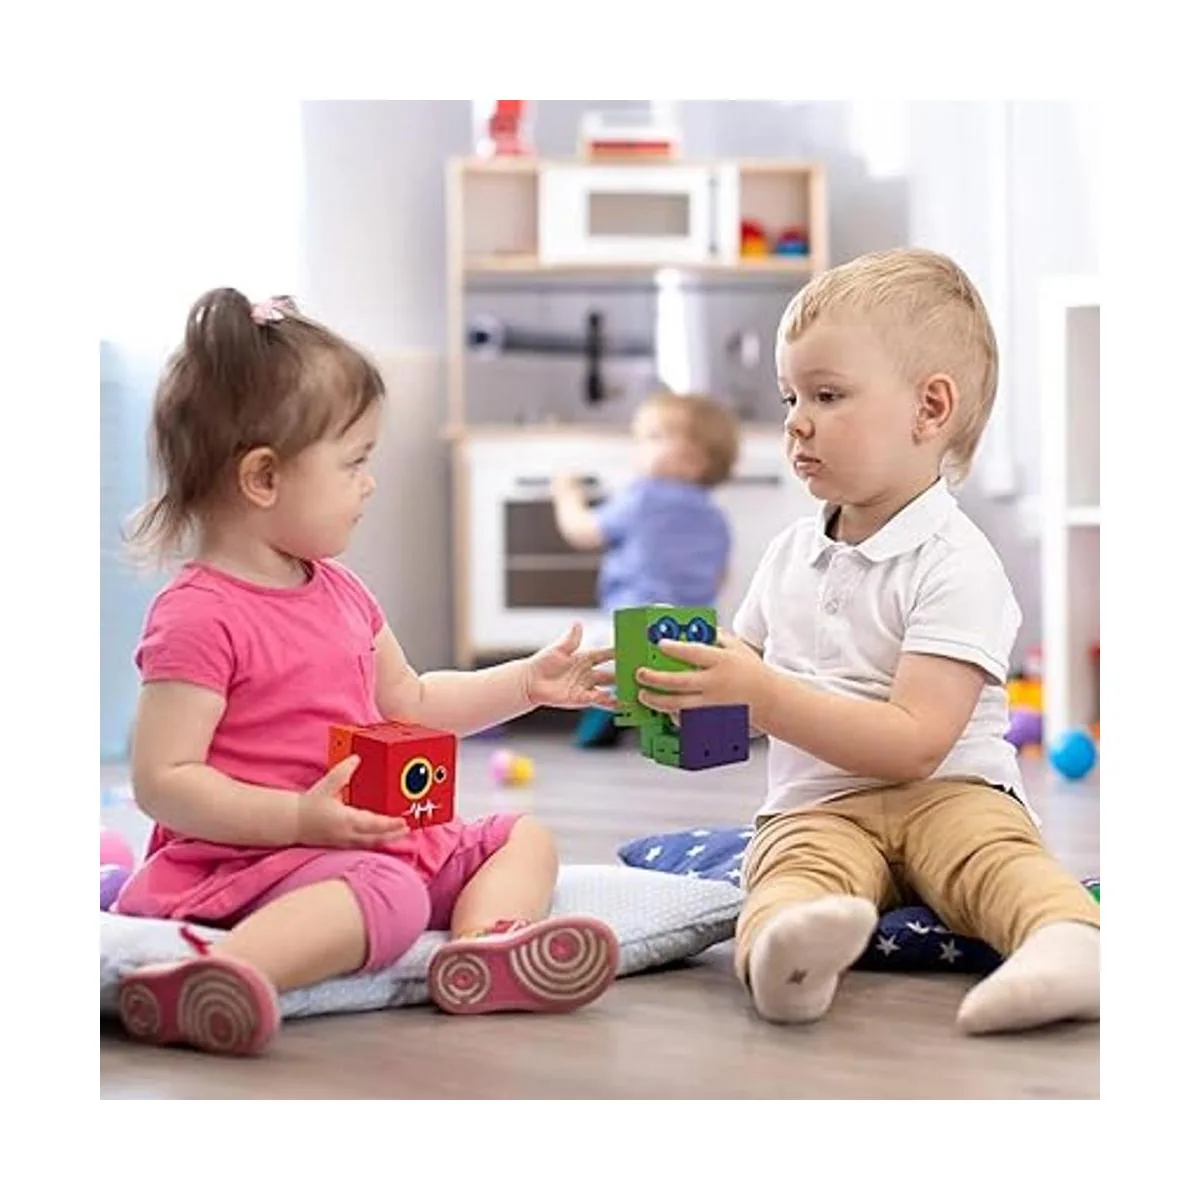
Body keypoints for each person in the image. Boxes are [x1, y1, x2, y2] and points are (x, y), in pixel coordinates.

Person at [111, 289, 622, 1056]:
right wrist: (297, 820)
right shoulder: (200, 615)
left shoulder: (341, 591)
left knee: (520, 836)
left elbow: (411, 699)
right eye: (354, 462)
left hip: (366, 837)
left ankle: (483, 950)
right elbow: (164, 780)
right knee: (389, 896)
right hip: (252, 858)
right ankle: (220, 974)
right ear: (263, 478)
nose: (370, 483)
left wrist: (524, 684)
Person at [632, 249, 1100, 1035]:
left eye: (827, 395)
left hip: (951, 792)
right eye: (790, 396)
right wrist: (685, 694)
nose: (796, 420)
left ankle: (1067, 945)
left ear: (930, 409)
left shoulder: (958, 563)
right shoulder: (789, 554)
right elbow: (745, 692)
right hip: (821, 805)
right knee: (789, 870)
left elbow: (917, 744)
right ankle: (786, 955)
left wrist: (763, 694)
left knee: (994, 862)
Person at [551, 390, 738, 747]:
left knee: (583, 654)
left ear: (693, 461)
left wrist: (566, 495)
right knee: (680, 683)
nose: (637, 447)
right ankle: (677, 720)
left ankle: (606, 706)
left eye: (652, 438)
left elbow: (583, 531)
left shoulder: (642, 497)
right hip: (692, 633)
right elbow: (720, 577)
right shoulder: (716, 517)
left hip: (631, 628)